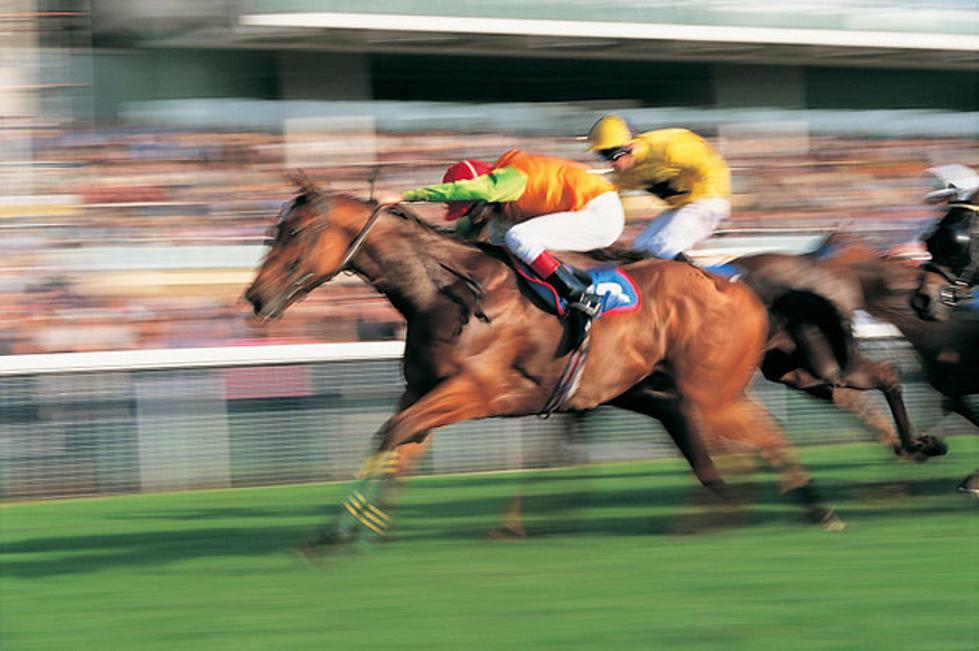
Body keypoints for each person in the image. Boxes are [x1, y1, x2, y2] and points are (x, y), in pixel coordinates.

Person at [381, 149, 626, 349]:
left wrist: (405, 196)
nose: (474, 220)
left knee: (519, 236)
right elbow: (463, 242)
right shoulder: (496, 199)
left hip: (600, 213)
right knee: (499, 237)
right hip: (582, 209)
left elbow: (474, 190)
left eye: (472, 211)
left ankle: (580, 297)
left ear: (482, 193)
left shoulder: (508, 180)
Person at [586, 114, 731, 261]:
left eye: (611, 155)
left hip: (709, 200)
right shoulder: (624, 175)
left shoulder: (669, 146)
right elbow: (615, 204)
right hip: (679, 208)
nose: (610, 163)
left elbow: (711, 168)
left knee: (661, 251)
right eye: (603, 156)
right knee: (639, 251)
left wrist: (713, 209)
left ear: (630, 147)